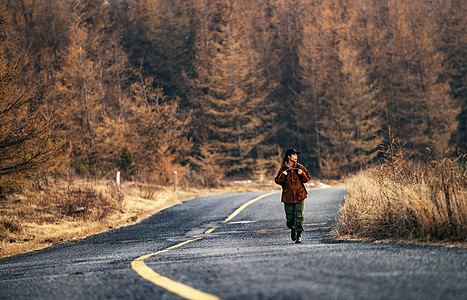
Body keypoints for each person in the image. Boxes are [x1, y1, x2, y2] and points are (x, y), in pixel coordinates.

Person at [274, 148, 311, 243]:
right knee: (290, 218)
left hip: (299, 195)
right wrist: (283, 175)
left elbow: (307, 179)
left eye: (296, 155)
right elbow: (277, 181)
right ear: (288, 157)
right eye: (293, 155)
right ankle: (293, 229)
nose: (296, 157)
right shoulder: (283, 169)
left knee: (299, 215)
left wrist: (301, 174)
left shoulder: (300, 167)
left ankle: (299, 235)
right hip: (288, 197)